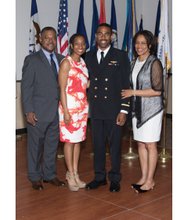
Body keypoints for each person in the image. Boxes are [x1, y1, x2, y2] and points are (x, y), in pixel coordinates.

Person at [85, 23, 131, 192]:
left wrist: (124, 110)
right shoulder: (88, 56)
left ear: (111, 36)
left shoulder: (120, 55)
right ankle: (99, 177)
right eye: (100, 34)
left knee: (115, 146)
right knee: (97, 145)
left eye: (107, 34)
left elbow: (126, 84)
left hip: (114, 110)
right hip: (96, 110)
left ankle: (115, 178)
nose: (103, 37)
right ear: (95, 36)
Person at [21, 26, 65, 190]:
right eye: (46, 37)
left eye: (53, 38)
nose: (50, 41)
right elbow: (26, 87)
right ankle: (34, 176)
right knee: (35, 146)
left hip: (57, 112)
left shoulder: (62, 59)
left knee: (52, 145)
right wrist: (28, 111)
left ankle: (49, 174)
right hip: (38, 112)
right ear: (40, 39)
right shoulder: (32, 60)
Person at [121, 30, 164, 193]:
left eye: (143, 43)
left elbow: (157, 90)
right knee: (140, 143)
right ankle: (144, 176)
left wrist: (133, 93)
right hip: (136, 110)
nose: (139, 46)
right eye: (137, 43)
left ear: (150, 45)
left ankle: (150, 180)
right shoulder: (133, 63)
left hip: (152, 110)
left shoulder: (155, 63)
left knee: (150, 144)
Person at [58, 34, 89, 191]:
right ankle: (70, 174)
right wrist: (66, 111)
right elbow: (62, 89)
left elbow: (84, 84)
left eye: (83, 44)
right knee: (69, 142)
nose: (80, 46)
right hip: (69, 107)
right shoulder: (66, 63)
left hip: (82, 108)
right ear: (71, 45)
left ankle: (76, 173)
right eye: (77, 43)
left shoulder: (83, 63)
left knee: (78, 141)